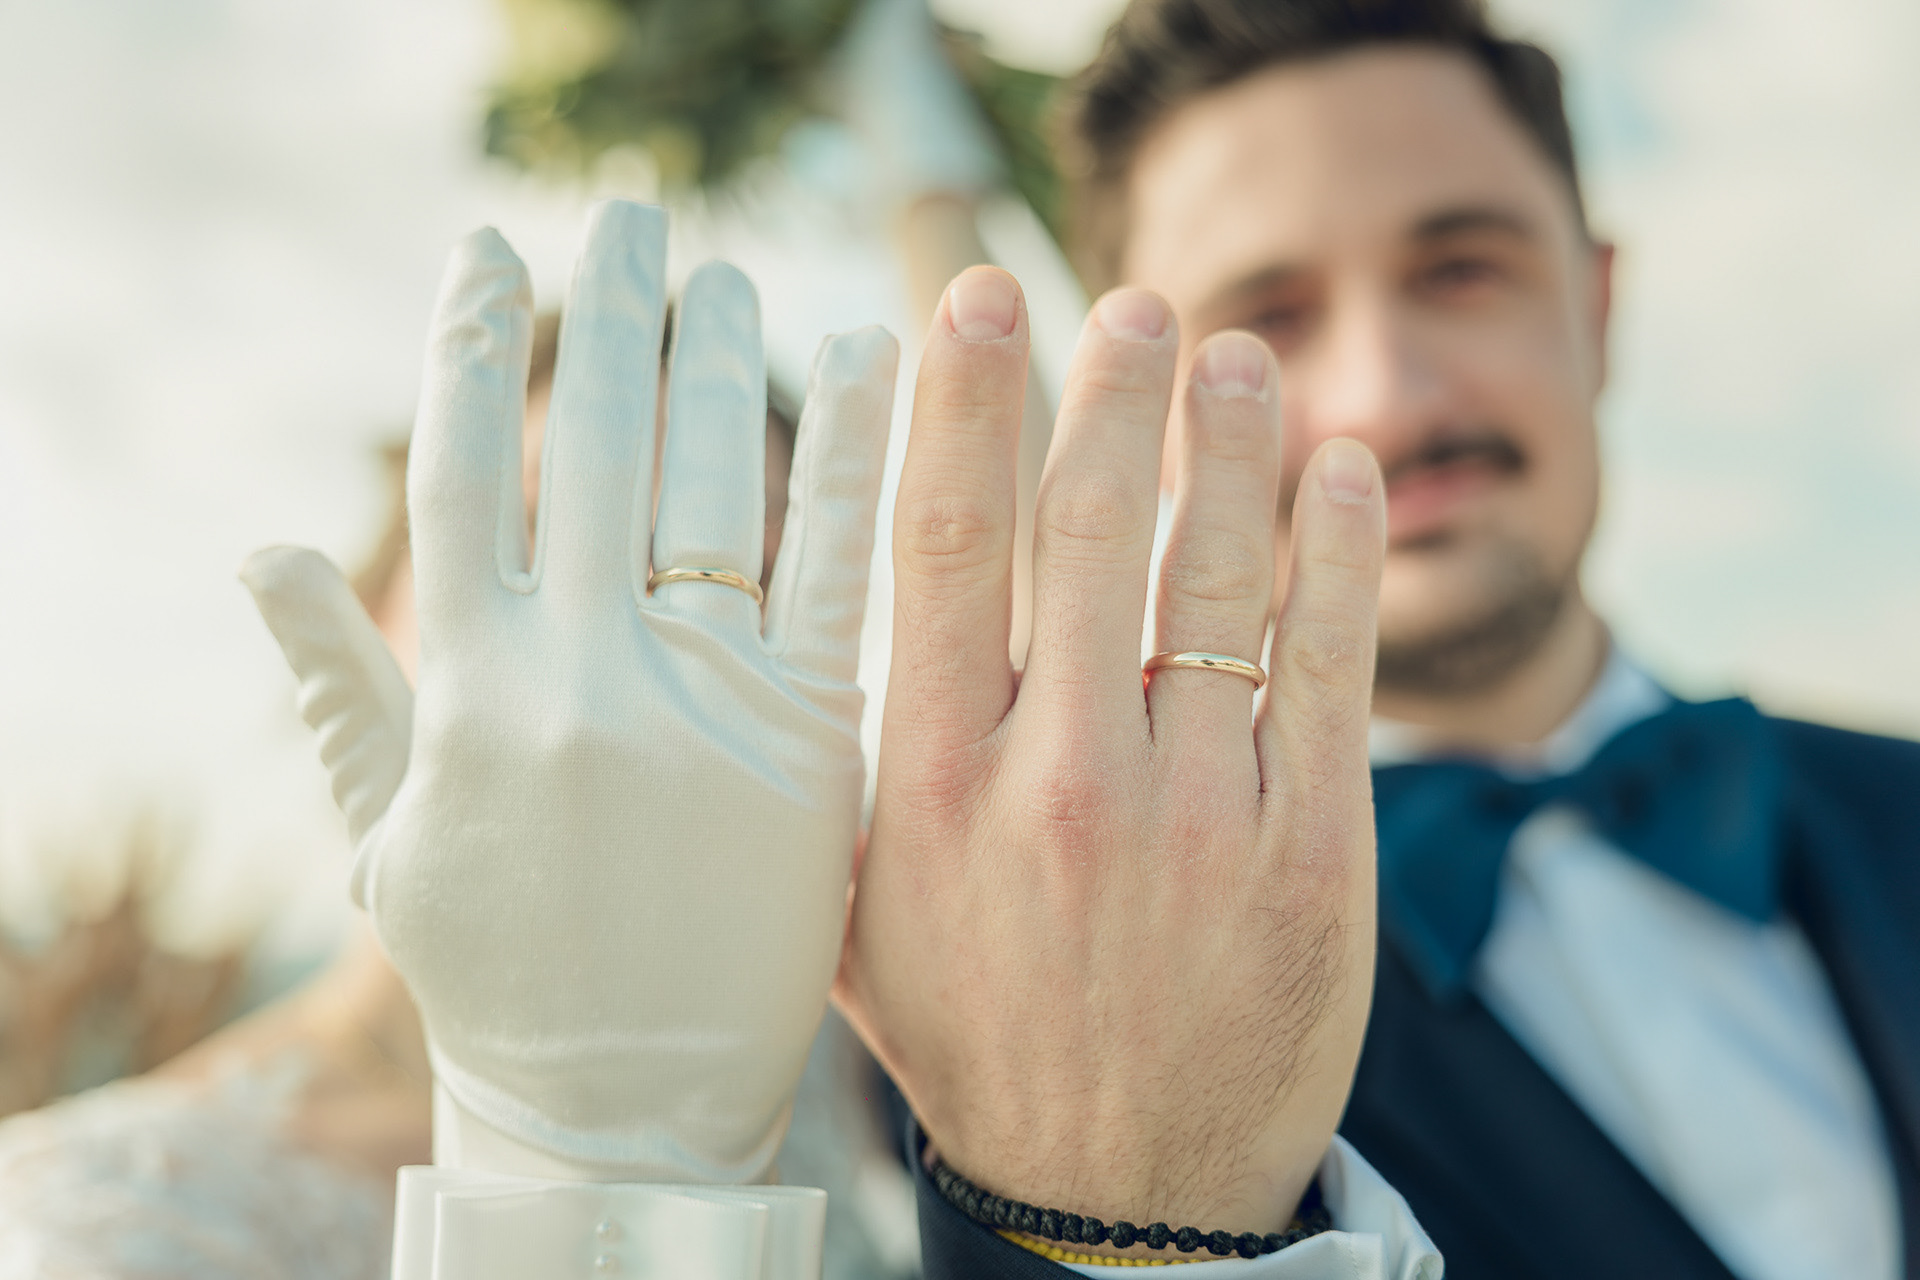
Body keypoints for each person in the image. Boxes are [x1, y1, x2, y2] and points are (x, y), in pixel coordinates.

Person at [872, 1, 1918, 1277]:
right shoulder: (1066, 1018)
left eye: (1461, 270)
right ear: (1149, 405)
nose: (1389, 397)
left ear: (1596, 306)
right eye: (1270, 319)